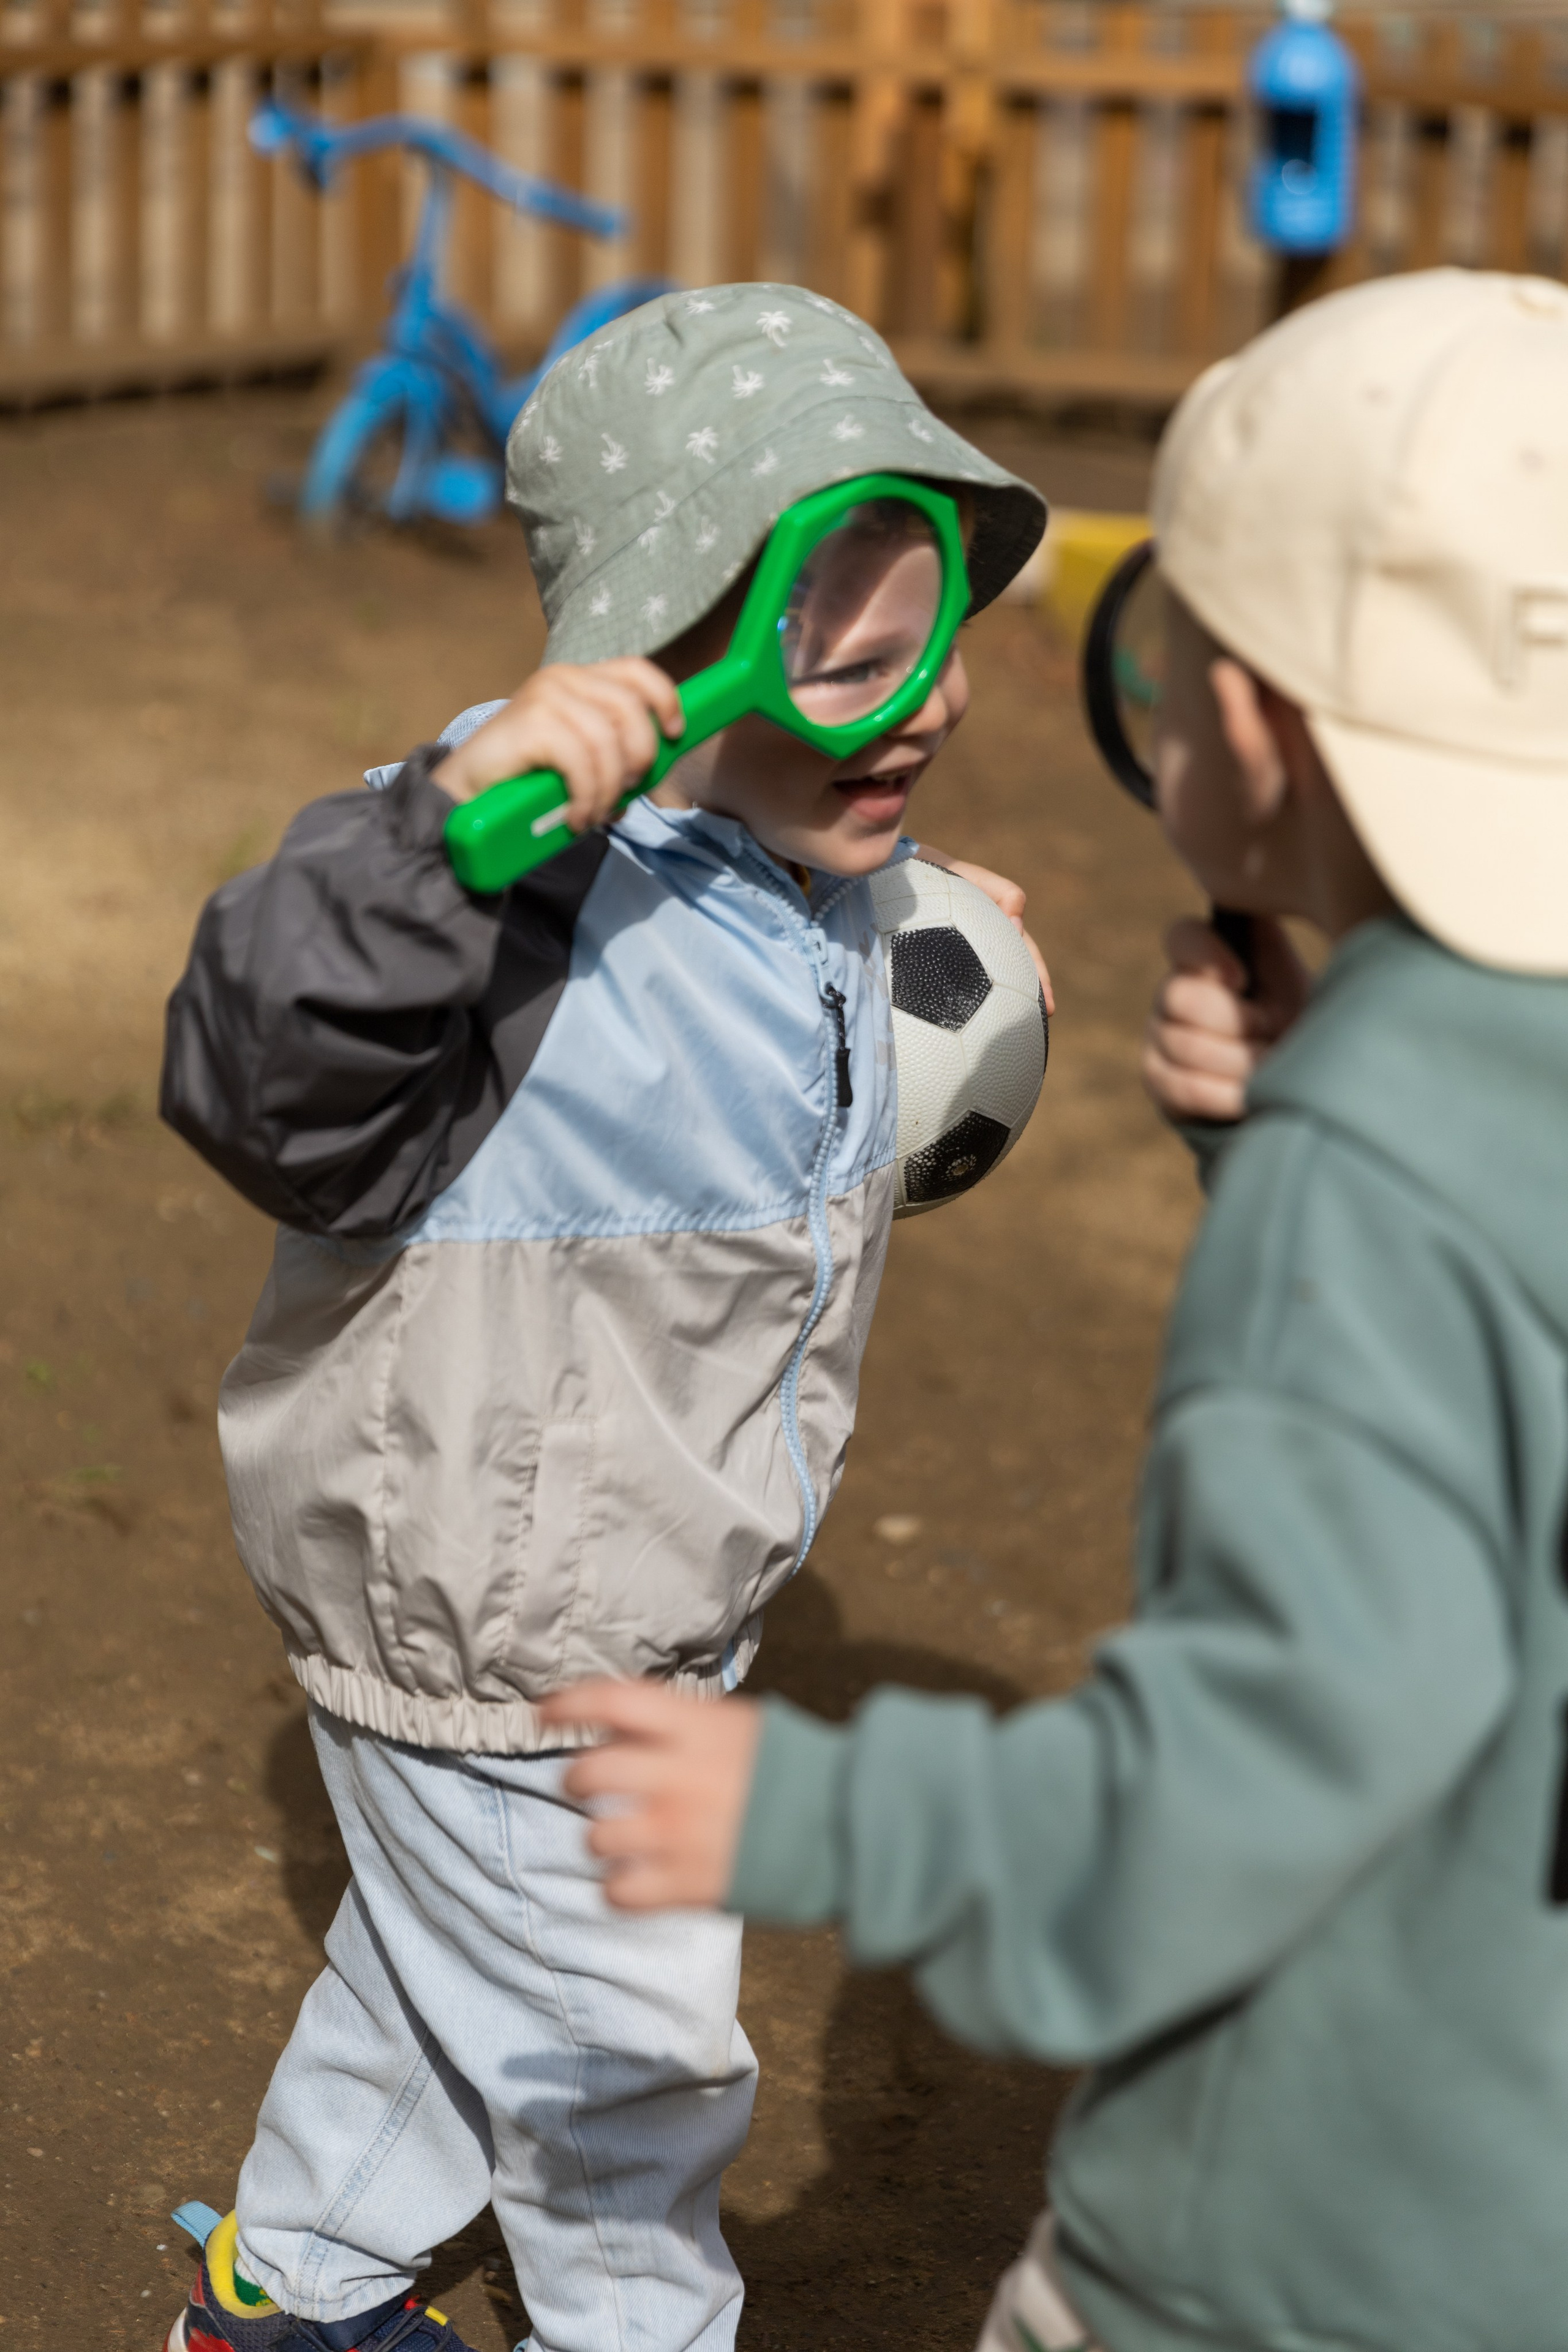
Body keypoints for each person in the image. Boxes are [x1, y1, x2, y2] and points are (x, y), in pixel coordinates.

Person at [541, 266, 1568, 2352]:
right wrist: (1294, 1124)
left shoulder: (1367, 1185)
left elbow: (1264, 1770)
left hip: (1296, 2252)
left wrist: (821, 1811)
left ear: (1254, 735)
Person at [155, 283, 1047, 2352]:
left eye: (935, 620)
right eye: (844, 634)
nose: (927, 691)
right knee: (630, 2091)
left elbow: (781, 1014)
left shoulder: (820, 884)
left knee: (434, 1995)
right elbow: (257, 1054)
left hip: (618, 1599)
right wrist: (455, 830)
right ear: (666, 646)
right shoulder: (482, 910)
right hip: (497, 1629)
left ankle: (275, 2300)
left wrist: (954, 951)